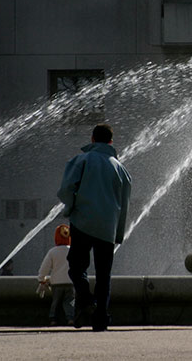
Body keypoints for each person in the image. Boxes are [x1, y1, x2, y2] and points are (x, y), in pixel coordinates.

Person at [57, 123, 132, 332]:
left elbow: (65, 189)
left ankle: (85, 298)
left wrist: (71, 207)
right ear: (111, 142)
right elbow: (124, 204)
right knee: (103, 274)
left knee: (76, 266)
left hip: (82, 222)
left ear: (92, 139)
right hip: (107, 229)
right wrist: (118, 232)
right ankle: (100, 319)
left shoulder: (81, 160)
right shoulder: (121, 169)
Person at [37, 223, 75, 326]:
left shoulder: (52, 252)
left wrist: (41, 279)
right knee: (70, 301)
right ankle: (70, 318)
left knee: (56, 302)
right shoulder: (73, 250)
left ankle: (53, 319)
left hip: (56, 283)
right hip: (70, 282)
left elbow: (45, 267)